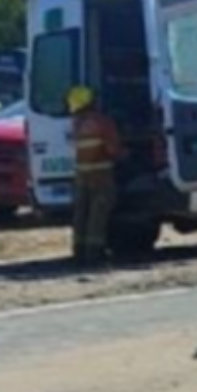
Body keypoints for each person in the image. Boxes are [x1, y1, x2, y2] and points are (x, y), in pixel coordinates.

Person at [68, 86, 124, 266]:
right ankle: (94, 253)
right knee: (97, 213)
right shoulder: (102, 122)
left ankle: (79, 250)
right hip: (101, 174)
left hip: (82, 174)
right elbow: (112, 149)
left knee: (82, 213)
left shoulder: (77, 123)